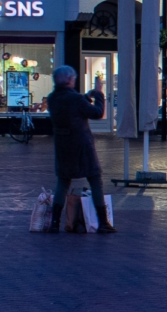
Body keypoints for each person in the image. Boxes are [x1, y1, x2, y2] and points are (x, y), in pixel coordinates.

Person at [46, 66, 116, 234]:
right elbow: (97, 113)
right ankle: (103, 222)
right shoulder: (76, 99)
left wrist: (85, 97)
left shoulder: (52, 99)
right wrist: (98, 93)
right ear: (70, 80)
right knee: (94, 178)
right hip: (82, 146)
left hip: (63, 146)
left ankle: (55, 222)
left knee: (63, 181)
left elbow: (70, 104)